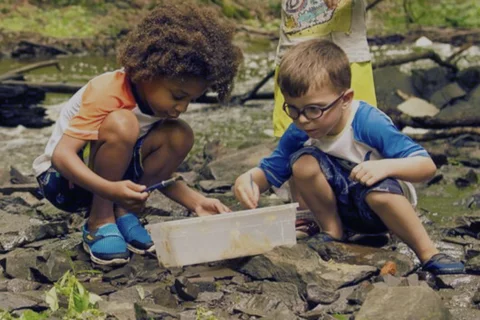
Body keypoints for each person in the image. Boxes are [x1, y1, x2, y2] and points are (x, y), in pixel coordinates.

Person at [33, 1, 242, 266]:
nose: (182, 108)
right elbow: (63, 156)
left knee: (180, 134)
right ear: (148, 73)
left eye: (191, 100)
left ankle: (123, 213)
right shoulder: (108, 90)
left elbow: (156, 170)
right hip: (65, 181)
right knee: (123, 123)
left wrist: (197, 202)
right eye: (178, 96)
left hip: (117, 183)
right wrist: (110, 189)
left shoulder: (158, 103)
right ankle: (99, 221)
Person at [234, 39, 464, 275]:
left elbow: (426, 167)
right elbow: (270, 170)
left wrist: (385, 167)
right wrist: (249, 180)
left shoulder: (367, 122)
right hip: (340, 208)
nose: (302, 119)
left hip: (381, 206)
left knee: (376, 191)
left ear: (345, 99)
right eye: (292, 109)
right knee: (302, 163)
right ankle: (332, 232)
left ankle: (428, 253)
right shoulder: (299, 131)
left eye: (314, 109)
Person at [273, 0, 378, 236]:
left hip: (348, 49)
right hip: (295, 49)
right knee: (294, 133)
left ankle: (368, 210)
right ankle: (307, 214)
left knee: (359, 129)